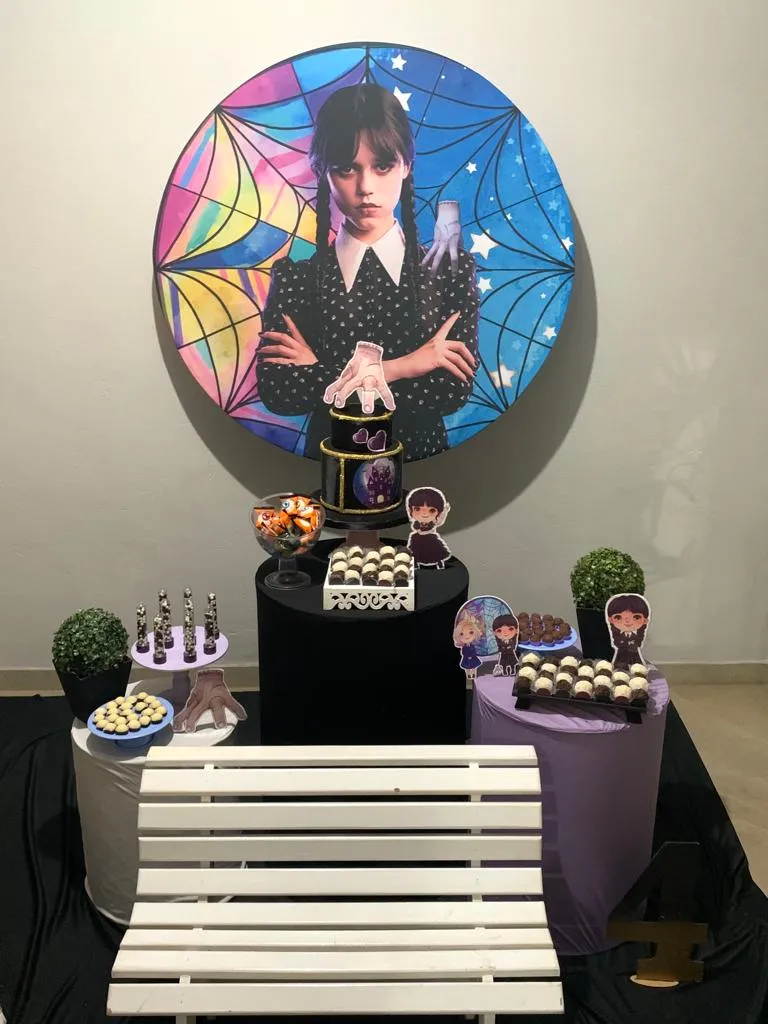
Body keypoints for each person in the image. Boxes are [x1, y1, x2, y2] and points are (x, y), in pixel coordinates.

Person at [257, 83, 479, 460]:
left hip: (425, 468)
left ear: (406, 166)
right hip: (326, 466)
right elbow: (280, 391)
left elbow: (447, 392)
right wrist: (407, 366)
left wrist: (320, 371)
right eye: (346, 168)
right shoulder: (297, 278)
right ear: (322, 172)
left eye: (382, 166)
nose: (365, 188)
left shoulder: (450, 273)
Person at [405, 486, 451, 568]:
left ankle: (439, 562)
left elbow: (441, 518)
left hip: (430, 538)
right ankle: (415, 563)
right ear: (411, 511)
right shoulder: (415, 523)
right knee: (414, 551)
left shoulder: (435, 522)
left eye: (431, 510)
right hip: (417, 538)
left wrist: (445, 510)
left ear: (438, 513)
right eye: (417, 509)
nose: (424, 514)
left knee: (435, 551)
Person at [605, 594, 650, 668]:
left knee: (637, 668)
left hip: (634, 656)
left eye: (636, 617)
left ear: (645, 620)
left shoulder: (637, 636)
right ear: (610, 620)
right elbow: (616, 643)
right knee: (618, 668)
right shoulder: (618, 636)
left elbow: (638, 643)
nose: (627, 621)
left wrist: (632, 644)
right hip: (620, 656)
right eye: (618, 617)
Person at [453, 610, 484, 683]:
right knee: (467, 668)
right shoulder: (464, 646)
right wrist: (467, 655)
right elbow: (463, 652)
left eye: (471, 632)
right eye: (461, 634)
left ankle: (474, 674)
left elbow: (474, 651)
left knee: (473, 667)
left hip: (473, 658)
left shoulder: (473, 645)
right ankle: (469, 676)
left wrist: (472, 654)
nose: (467, 636)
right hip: (467, 658)